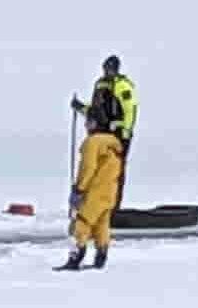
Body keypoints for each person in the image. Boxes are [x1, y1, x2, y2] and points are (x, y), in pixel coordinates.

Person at [56, 106, 124, 270]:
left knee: (81, 223)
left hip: (94, 191)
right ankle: (101, 257)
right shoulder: (112, 143)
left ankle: (75, 258)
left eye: (88, 121)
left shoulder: (92, 143)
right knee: (102, 224)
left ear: (95, 123)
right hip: (110, 192)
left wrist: (79, 189)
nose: (86, 125)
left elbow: (88, 168)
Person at [71, 54, 138, 206]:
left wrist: (125, 131)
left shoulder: (123, 86)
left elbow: (130, 110)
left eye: (110, 69)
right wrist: (80, 107)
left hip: (117, 135)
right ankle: (92, 205)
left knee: (113, 172)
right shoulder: (100, 85)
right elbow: (95, 110)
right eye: (106, 68)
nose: (108, 71)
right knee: (94, 169)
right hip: (99, 133)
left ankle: (113, 207)